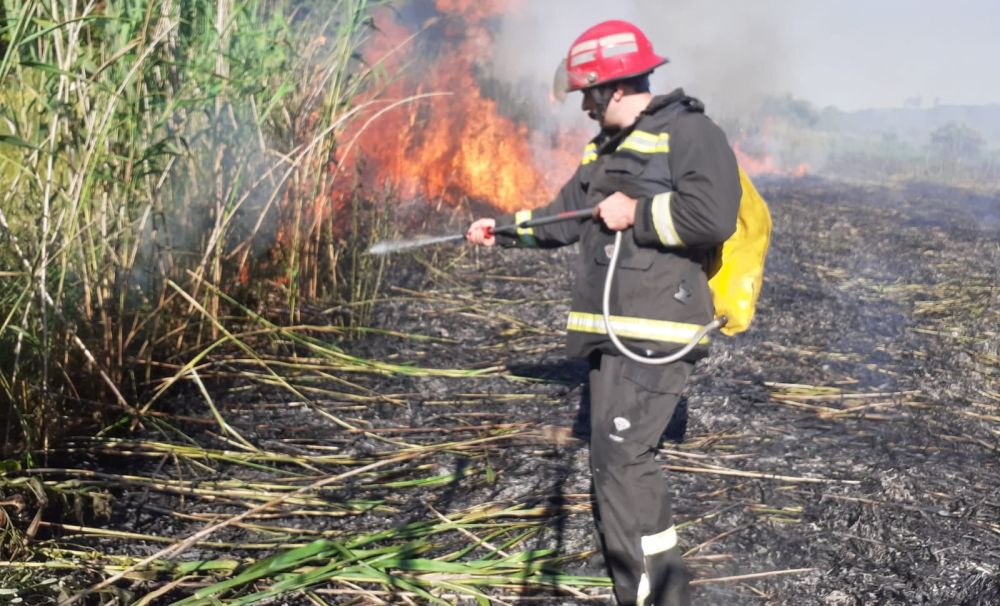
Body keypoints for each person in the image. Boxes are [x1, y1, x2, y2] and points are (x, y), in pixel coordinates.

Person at [466, 19, 742, 606]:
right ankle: (655, 593)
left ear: (614, 87)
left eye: (589, 95)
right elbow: (564, 215)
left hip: (655, 335)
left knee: (622, 465)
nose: (585, 108)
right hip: (613, 340)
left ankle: (655, 596)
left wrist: (636, 213)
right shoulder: (605, 149)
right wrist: (505, 229)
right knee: (619, 468)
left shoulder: (691, 133)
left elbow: (713, 216)